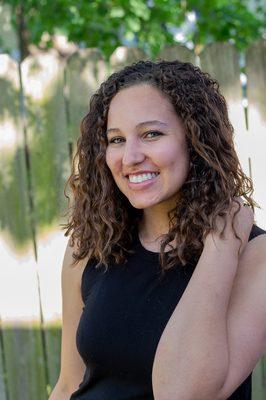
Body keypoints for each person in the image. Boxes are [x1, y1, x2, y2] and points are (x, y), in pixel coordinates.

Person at [49, 60, 266, 400]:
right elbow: (68, 385)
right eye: (116, 139)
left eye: (152, 134)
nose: (130, 157)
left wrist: (222, 245)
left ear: (195, 140)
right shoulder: (91, 242)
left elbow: (183, 393)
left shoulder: (254, 254)